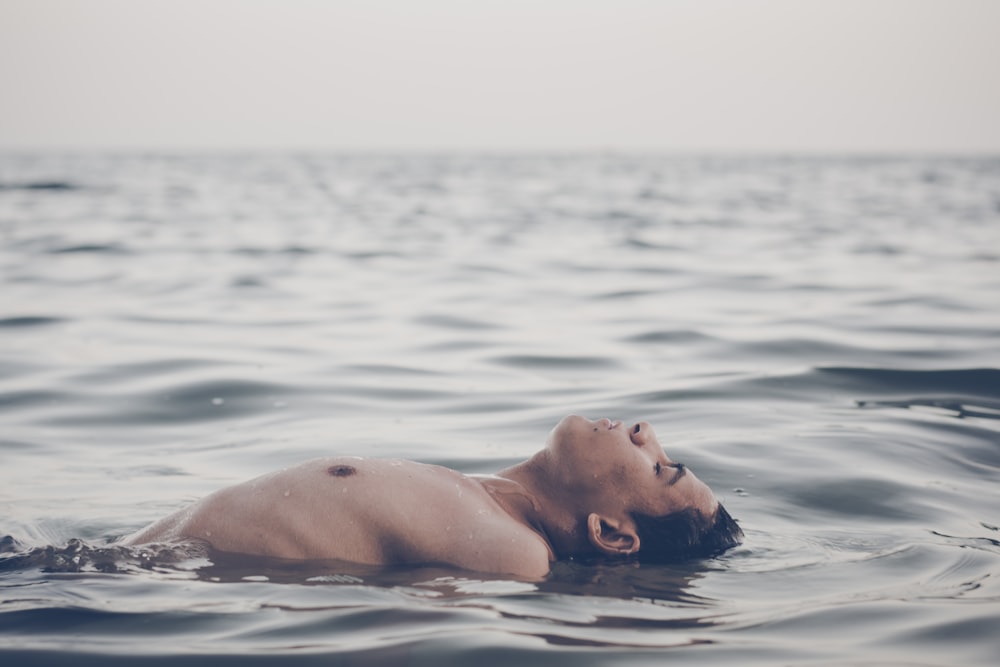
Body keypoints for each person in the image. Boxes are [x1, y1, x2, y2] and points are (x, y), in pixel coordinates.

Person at [123, 415, 743, 578]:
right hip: (108, 566)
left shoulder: (515, 555)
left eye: (659, 468)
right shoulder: (482, 499)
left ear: (610, 534)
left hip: (122, 591)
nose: (644, 434)